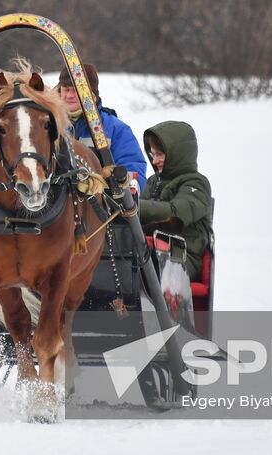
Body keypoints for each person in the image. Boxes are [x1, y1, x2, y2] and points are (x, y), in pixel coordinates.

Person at [140, 120, 214, 290]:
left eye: (160, 154)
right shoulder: (153, 182)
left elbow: (176, 213)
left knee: (137, 265)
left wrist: (132, 207)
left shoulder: (197, 183)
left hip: (182, 256)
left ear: (177, 154)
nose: (155, 160)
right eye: (153, 154)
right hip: (151, 249)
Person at [55, 64, 149, 197]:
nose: (69, 95)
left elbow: (134, 173)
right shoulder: (46, 124)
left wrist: (108, 184)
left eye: (76, 90)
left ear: (91, 93)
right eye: (66, 89)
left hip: (101, 206)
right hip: (53, 204)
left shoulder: (115, 129)